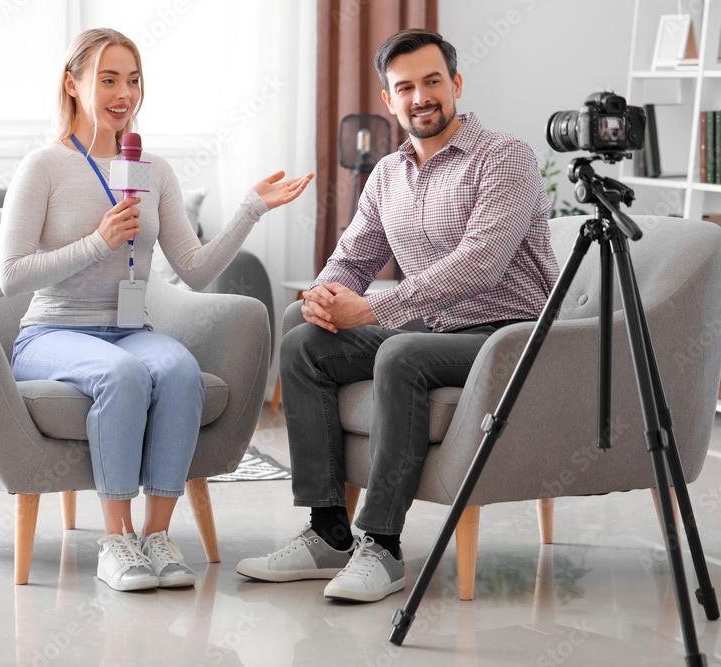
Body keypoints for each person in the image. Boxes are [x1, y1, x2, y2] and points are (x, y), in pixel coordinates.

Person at [237, 29, 559, 602]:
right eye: (405, 87)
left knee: (401, 351)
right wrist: (323, 296)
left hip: (509, 337)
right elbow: (353, 256)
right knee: (302, 342)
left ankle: (382, 548)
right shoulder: (387, 174)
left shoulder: (506, 158)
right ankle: (328, 532)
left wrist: (374, 305)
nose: (421, 97)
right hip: (434, 331)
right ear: (389, 100)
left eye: (433, 81)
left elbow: (478, 266)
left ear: (456, 84)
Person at [0, 28, 312, 593]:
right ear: (72, 84)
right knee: (121, 375)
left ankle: (156, 537)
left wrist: (250, 209)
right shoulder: (42, 167)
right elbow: (10, 274)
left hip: (128, 327)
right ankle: (114, 542)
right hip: (52, 333)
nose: (125, 93)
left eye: (134, 80)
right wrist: (96, 241)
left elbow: (192, 269)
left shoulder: (151, 170)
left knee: (178, 370)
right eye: (109, 79)